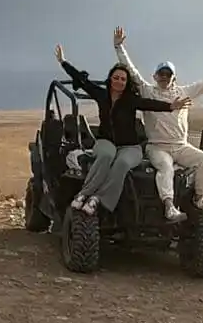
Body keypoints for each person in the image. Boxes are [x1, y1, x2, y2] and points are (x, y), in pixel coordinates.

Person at [114, 26, 203, 220]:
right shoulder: (148, 92)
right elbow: (132, 71)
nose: (164, 77)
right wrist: (119, 48)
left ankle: (199, 197)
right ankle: (169, 205)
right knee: (165, 167)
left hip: (181, 146)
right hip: (157, 147)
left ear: (173, 77)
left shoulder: (184, 92)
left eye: (168, 74)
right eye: (161, 74)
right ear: (155, 76)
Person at [56, 45, 183, 216]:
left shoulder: (130, 100)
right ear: (110, 79)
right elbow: (82, 80)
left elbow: (149, 104)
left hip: (131, 147)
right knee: (106, 156)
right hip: (106, 142)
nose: (119, 81)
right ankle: (84, 193)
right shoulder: (101, 95)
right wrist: (63, 62)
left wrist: (170, 106)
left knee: (122, 164)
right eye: (116, 77)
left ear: (127, 82)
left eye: (123, 79)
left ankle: (97, 199)